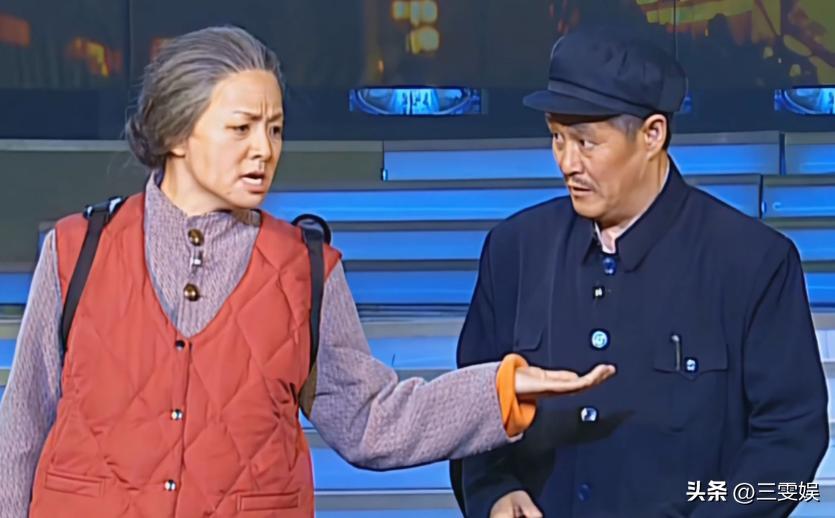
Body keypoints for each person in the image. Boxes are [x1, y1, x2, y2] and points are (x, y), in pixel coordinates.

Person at [0, 26, 616, 518]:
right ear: (177, 134)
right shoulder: (78, 249)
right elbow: (22, 427)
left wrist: (500, 391)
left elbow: (370, 420)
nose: (264, 149)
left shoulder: (305, 268)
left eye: (274, 129)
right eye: (241, 128)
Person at [454, 26, 828, 518]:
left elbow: (791, 441)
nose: (567, 163)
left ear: (653, 134)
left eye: (586, 142)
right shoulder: (514, 250)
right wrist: (494, 492)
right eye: (557, 138)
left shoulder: (754, 261)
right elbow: (473, 405)